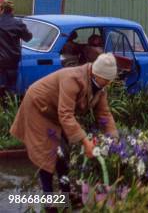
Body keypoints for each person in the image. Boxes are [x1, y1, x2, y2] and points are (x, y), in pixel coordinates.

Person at [10, 53, 119, 205]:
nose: (108, 83)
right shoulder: (73, 79)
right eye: (106, 80)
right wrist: (85, 142)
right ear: (96, 73)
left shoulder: (100, 87)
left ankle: (65, 195)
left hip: (57, 113)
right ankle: (49, 202)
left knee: (63, 153)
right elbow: (66, 114)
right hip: (39, 108)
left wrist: (114, 138)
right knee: (47, 154)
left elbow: (104, 114)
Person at [0, 0, 32, 94]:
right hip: (12, 61)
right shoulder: (18, 23)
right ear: (12, 11)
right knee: (12, 87)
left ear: (1, 10)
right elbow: (28, 38)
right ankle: (11, 106)